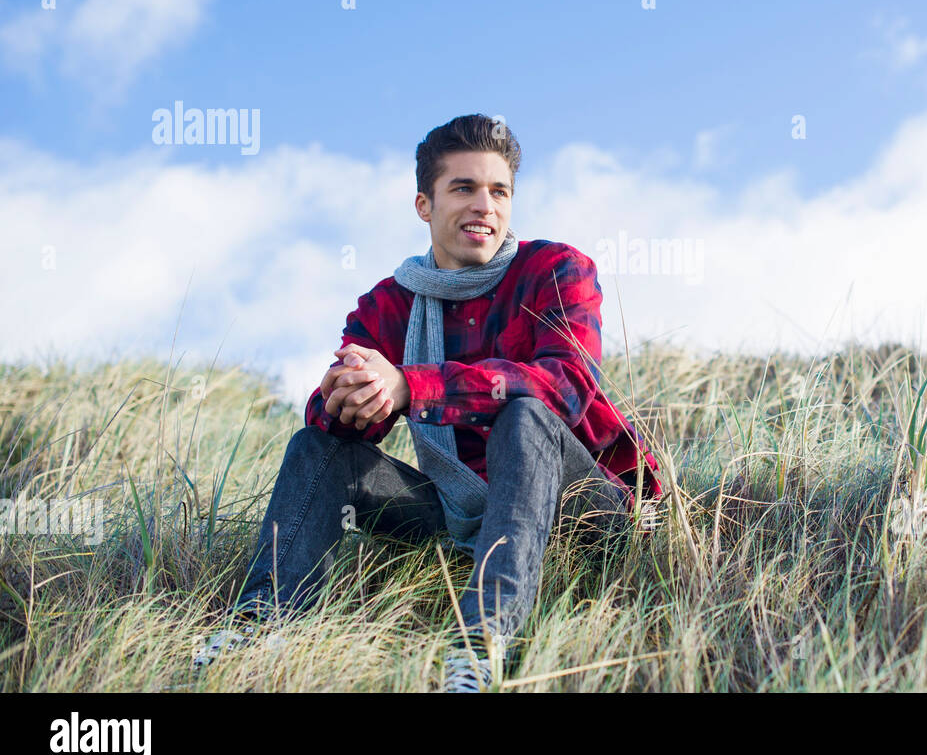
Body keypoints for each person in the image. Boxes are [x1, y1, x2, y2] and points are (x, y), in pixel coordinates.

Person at [192, 114, 664, 691]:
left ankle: (477, 652)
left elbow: (563, 386)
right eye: (463, 188)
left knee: (526, 414)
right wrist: (351, 395)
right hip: (456, 508)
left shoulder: (556, 270)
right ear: (424, 205)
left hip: (583, 509)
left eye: (499, 191)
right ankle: (261, 623)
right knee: (316, 447)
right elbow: (336, 425)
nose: (484, 206)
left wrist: (413, 385)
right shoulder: (389, 305)